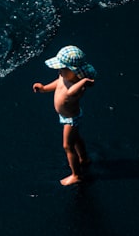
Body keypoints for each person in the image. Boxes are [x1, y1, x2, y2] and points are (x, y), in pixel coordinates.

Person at [33, 45, 96, 186]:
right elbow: (58, 84)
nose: (59, 70)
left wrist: (84, 81)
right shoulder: (64, 76)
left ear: (74, 71)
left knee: (67, 146)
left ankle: (76, 175)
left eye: (63, 68)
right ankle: (84, 159)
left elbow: (70, 92)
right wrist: (44, 88)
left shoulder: (77, 87)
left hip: (70, 119)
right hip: (65, 116)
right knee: (76, 138)